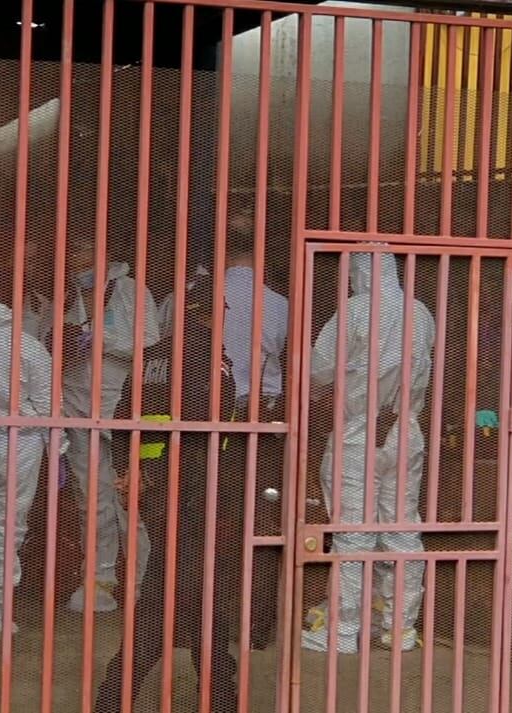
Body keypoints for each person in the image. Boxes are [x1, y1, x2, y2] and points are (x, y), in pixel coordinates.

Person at [95, 280, 239, 713]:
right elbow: (197, 429)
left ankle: (219, 696)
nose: (226, 320)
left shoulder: (150, 357)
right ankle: (115, 698)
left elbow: (123, 420)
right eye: (223, 312)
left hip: (157, 495)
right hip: (194, 493)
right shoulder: (208, 359)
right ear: (207, 313)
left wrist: (131, 474)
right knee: (177, 601)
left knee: (193, 596)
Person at [302, 250, 435, 654]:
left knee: (353, 532)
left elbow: (317, 367)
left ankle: (343, 631)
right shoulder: (421, 313)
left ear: (358, 271)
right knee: (403, 530)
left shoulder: (356, 310)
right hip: (404, 430)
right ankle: (400, 629)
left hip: (360, 430)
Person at [60, 236, 160, 613]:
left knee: (128, 495)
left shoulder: (131, 289)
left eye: (80, 248)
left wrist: (101, 340)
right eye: (70, 250)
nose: (73, 256)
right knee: (90, 497)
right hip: (75, 402)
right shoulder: (66, 292)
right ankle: (99, 578)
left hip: (122, 401)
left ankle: (140, 583)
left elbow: (150, 342)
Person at [221, 219, 289, 649]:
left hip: (209, 422)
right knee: (261, 524)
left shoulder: (193, 300)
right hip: (263, 423)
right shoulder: (280, 304)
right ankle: (255, 627)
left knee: (206, 523)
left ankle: (198, 622)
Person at [0, 290, 54, 639]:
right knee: (5, 529)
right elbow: (50, 405)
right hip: (22, 440)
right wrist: (57, 449)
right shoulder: (29, 345)